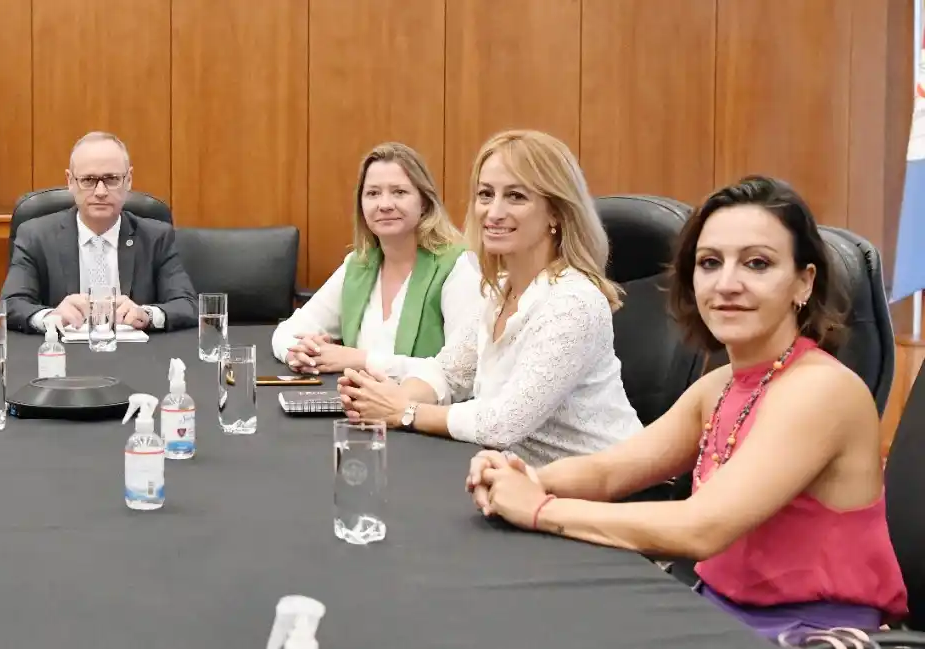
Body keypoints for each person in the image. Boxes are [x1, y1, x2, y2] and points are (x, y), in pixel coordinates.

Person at [465, 175, 908, 640]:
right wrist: (524, 477)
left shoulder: (821, 390)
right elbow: (611, 472)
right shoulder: (720, 385)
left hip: (808, 632)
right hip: (712, 610)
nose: (728, 283)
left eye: (757, 264)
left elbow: (702, 528)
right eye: (710, 263)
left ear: (803, 282)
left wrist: (539, 509)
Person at [337, 130, 641, 466]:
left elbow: (501, 423)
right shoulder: (498, 291)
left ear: (556, 212)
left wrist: (404, 411)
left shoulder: (573, 302)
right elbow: (449, 373)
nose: (493, 212)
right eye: (485, 194)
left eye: (515, 196)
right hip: (517, 480)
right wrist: (388, 399)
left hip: (603, 494)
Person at [272, 142, 480, 379]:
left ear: (424, 202)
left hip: (419, 413)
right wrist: (299, 354)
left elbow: (461, 372)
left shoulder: (458, 266)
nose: (385, 205)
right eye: (373, 193)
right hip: (352, 411)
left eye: (399, 192)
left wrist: (360, 360)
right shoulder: (358, 265)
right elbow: (286, 331)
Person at [0, 131, 198, 334]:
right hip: (63, 355)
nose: (101, 192)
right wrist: (50, 317)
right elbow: (11, 304)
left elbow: (187, 305)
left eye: (111, 179)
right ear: (70, 181)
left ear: (128, 180)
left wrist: (146, 314)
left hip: (137, 357)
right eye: (88, 180)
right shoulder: (36, 236)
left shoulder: (156, 237)